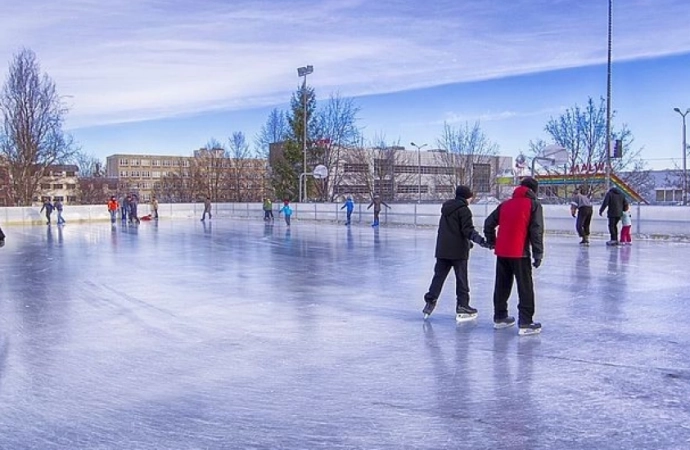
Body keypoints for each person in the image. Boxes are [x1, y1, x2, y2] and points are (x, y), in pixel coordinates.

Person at [484, 176, 544, 336]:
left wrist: (492, 242)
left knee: (502, 284)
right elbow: (536, 231)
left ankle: (500, 317)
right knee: (525, 286)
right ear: (533, 190)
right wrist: (538, 253)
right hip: (520, 252)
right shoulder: (533, 205)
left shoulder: (505, 204)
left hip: (502, 251)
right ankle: (525, 321)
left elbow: (488, 223)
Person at [423, 185, 488, 322]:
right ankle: (462, 306)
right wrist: (481, 241)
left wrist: (467, 243)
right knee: (461, 279)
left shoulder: (446, 209)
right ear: (466, 197)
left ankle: (430, 302)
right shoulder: (464, 210)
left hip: (443, 249)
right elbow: (468, 230)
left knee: (438, 277)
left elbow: (452, 230)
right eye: (470, 197)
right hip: (458, 252)